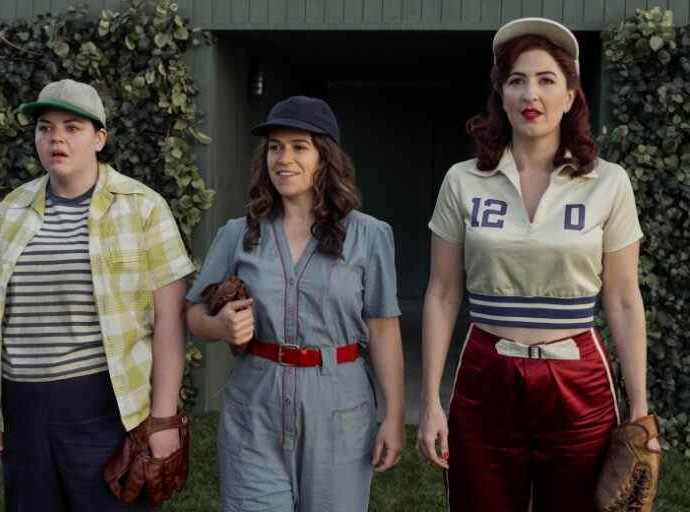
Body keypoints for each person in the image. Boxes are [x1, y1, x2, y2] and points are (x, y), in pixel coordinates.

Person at [416, 17, 660, 511]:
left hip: (578, 378)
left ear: (570, 95)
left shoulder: (608, 182)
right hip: (486, 373)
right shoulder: (463, 180)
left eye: (547, 80)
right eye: (517, 80)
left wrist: (639, 410)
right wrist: (429, 403)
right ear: (501, 95)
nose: (532, 93)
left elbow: (622, 298)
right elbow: (442, 293)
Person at [0, 79, 194, 511]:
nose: (55, 137)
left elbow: (170, 320)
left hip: (104, 405)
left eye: (72, 127)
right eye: (44, 127)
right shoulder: (10, 211)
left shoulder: (144, 207)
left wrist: (163, 418)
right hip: (23, 407)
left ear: (99, 138)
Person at [186, 95, 405, 511]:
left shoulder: (370, 236)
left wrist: (394, 415)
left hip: (339, 408)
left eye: (299, 147)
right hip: (255, 407)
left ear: (326, 157)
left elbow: (383, 328)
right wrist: (219, 327)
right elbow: (194, 311)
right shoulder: (238, 234)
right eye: (274, 147)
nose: (283, 159)